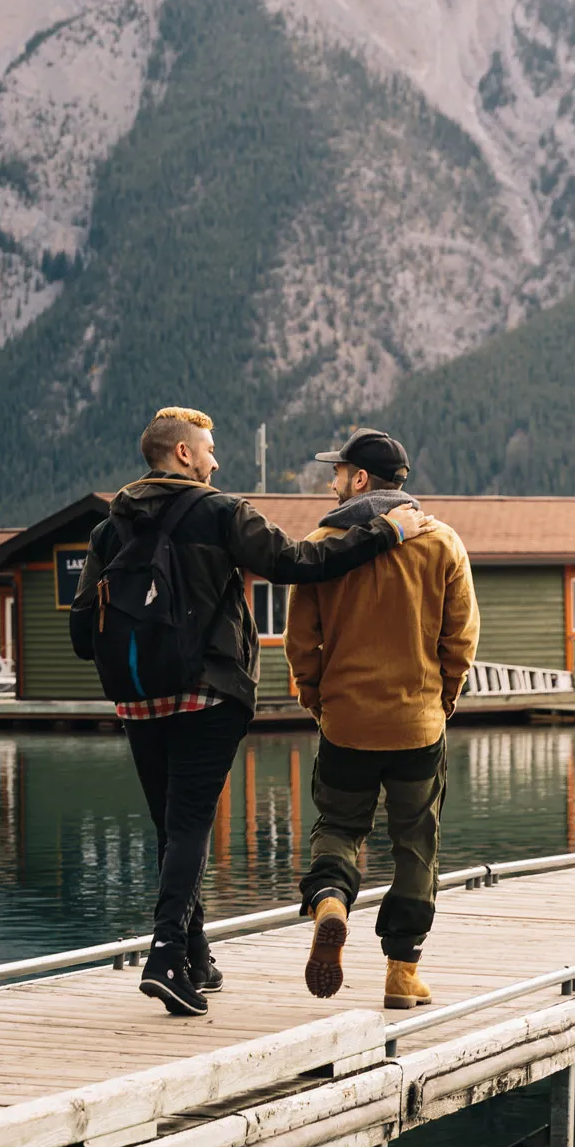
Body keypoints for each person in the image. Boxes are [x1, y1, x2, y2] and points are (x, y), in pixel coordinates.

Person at [70, 408, 438, 1017]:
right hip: (208, 695)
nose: (216, 460)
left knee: (170, 827)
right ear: (185, 455)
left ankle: (195, 954)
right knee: (190, 827)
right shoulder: (220, 512)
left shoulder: (112, 527)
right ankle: (164, 955)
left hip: (139, 698)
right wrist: (386, 532)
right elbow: (299, 563)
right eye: (210, 449)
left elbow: (85, 634)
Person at [286, 428, 478, 1010]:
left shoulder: (323, 542)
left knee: (339, 828)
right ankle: (401, 973)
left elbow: (301, 641)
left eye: (339, 472)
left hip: (346, 723)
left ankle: (331, 904)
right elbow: (460, 637)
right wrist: (442, 700)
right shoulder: (443, 543)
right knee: (416, 845)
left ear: (361, 479)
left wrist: (317, 699)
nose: (332, 481)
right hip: (417, 724)